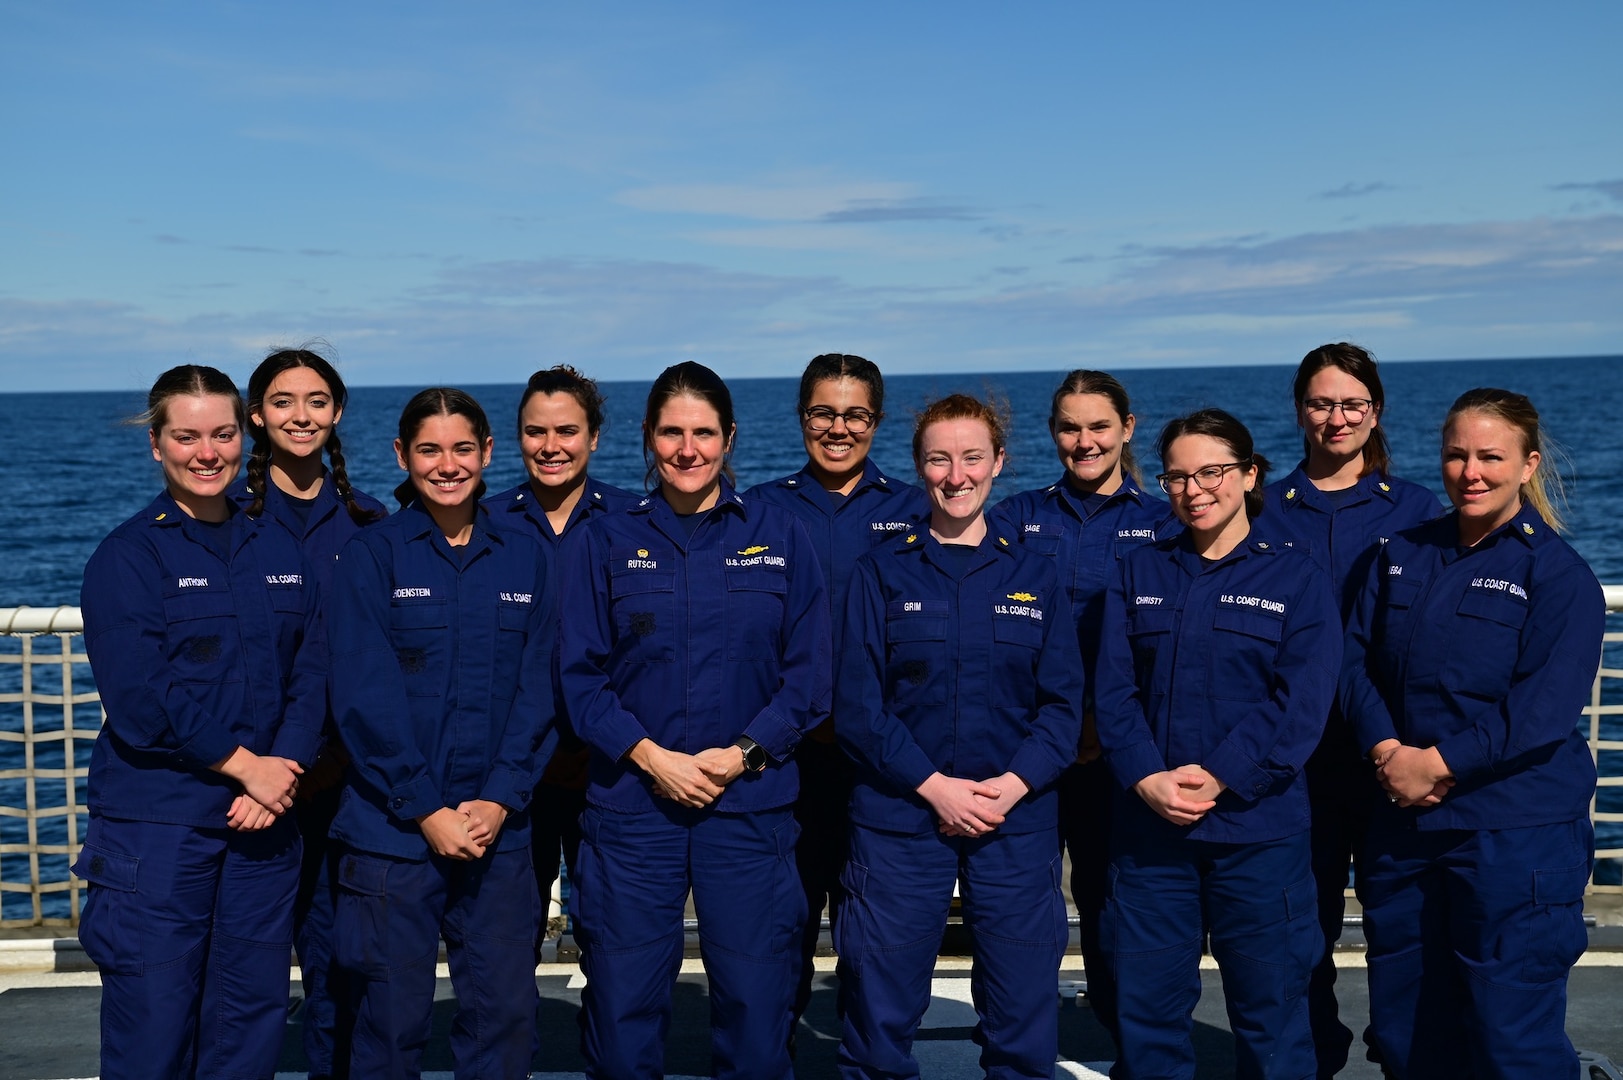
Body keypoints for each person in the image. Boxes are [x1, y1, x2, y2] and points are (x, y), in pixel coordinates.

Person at [558, 360, 830, 1079]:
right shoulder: (603, 541)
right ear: (648, 438)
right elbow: (579, 679)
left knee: (755, 1007)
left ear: (730, 437)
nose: (687, 449)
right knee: (621, 1012)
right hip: (631, 810)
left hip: (747, 807)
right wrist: (652, 758)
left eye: (703, 433)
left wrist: (744, 753)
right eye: (671, 432)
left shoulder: (783, 535)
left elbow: (809, 675)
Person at [1340, 388, 1602, 1079]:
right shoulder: (1398, 555)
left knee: (1509, 1033)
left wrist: (1441, 764)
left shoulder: (1556, 578)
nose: (1471, 472)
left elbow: (1543, 709)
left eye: (1491, 456)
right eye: (1456, 455)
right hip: (1405, 829)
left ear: (1527, 465)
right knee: (1404, 1027)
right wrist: (1387, 751)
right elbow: (1350, 660)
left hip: (1512, 834)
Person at [74, 364, 325, 1080]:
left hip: (264, 824)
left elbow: (313, 672)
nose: (206, 453)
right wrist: (247, 765)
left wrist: (280, 772)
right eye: (186, 437)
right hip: (159, 830)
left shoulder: (277, 547)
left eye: (220, 434)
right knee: (153, 1027)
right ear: (157, 445)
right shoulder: (128, 557)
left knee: (248, 1024)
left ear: (244, 437)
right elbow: (139, 698)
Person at [835, 393, 1081, 1079]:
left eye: (971, 457)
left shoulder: (1035, 574)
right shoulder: (880, 572)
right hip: (899, 819)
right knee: (878, 1013)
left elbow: (1062, 706)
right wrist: (935, 788)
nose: (956, 475)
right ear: (918, 468)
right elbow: (858, 706)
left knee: (1023, 1010)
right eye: (938, 459)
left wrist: (1011, 785)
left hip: (1015, 821)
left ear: (998, 462)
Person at [1095, 408, 1339, 1080]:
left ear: (1249, 474)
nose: (1193, 489)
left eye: (1211, 472)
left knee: (1272, 1018)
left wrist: (1222, 774)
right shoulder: (1136, 572)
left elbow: (1301, 703)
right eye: (1176, 476)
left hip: (1258, 835)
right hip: (1152, 838)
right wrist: (1147, 777)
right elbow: (1111, 694)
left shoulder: (1295, 578)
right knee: (1146, 1018)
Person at [327, 388, 556, 1080]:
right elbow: (363, 697)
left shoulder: (525, 556)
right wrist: (425, 807)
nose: (447, 464)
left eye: (463, 449)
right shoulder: (372, 556)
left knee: (504, 1019)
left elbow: (539, 693)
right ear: (402, 455)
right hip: (392, 835)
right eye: (429, 449)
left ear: (488, 454)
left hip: (498, 832)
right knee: (388, 1023)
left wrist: (498, 799)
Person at [1259, 342, 1441, 1076]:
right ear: (1299, 409)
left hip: (1387, 755)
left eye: (1351, 404)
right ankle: (1306, 1065)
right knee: (1296, 934)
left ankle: (1408, 1062)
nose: (1336, 418)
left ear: (1376, 411)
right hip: (1293, 766)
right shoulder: (1262, 507)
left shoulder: (1417, 512)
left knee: (1401, 931)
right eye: (1321, 403)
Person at [988, 369, 1175, 1044]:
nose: (1084, 440)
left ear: (1127, 429)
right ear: (1052, 434)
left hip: (1118, 753)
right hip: (1034, 750)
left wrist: (1101, 726)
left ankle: (1123, 1039)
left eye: (1099, 426)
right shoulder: (1013, 518)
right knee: (1023, 908)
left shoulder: (1164, 524)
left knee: (1116, 906)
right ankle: (1021, 1043)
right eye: (1069, 427)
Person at [745, 352, 928, 1030]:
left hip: (877, 762)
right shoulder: (758, 510)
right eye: (823, 412)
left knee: (876, 931)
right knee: (776, 925)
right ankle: (772, 1052)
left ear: (875, 422)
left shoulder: (914, 511)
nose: (838, 427)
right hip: (782, 759)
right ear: (801, 419)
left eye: (854, 414)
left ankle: (870, 1058)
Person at [238, 346, 386, 1080]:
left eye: (318, 401)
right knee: (248, 976)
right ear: (256, 415)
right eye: (284, 401)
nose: (302, 416)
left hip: (346, 786)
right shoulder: (230, 521)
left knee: (343, 968)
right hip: (251, 789)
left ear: (337, 413)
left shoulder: (369, 523)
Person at [484, 365, 638, 956]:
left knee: (614, 936)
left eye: (567, 431)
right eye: (535, 432)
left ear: (594, 437)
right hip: (512, 768)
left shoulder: (634, 521)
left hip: (609, 764)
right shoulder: (485, 523)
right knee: (505, 938)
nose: (551, 447)